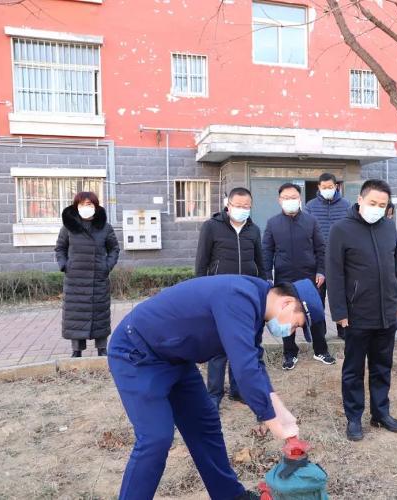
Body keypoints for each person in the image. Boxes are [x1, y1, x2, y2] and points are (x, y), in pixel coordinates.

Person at [108, 276, 324, 500]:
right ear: (287, 303)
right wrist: (272, 421)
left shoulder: (258, 303)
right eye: (297, 324)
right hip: (138, 353)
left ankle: (230, 496)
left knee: (205, 424)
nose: (291, 331)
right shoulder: (239, 297)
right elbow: (245, 369)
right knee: (156, 438)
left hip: (176, 358)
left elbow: (254, 361)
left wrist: (280, 409)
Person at [327, 179, 397, 441]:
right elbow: (335, 274)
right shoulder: (341, 230)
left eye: (382, 205)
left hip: (386, 312)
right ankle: (353, 418)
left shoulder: (388, 228)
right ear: (360, 200)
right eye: (373, 203)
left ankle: (380, 413)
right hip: (356, 315)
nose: (377, 208)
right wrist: (339, 312)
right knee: (353, 369)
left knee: (382, 366)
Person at [195, 187, 267, 407]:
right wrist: (201, 293)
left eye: (247, 206)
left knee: (242, 346)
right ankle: (214, 395)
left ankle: (238, 390)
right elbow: (201, 263)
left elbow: (260, 263)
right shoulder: (211, 227)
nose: (242, 210)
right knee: (219, 349)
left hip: (246, 297)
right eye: (238, 205)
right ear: (228, 205)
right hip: (219, 298)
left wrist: (263, 289)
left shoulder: (253, 230)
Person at [262, 182, 335, 369]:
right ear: (279, 201)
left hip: (310, 277)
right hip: (284, 278)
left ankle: (321, 350)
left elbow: (321, 249)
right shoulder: (272, 223)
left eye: (293, 197)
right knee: (286, 316)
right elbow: (267, 252)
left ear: (299, 199)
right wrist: (267, 276)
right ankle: (290, 353)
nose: (290, 201)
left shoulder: (311, 221)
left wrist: (321, 271)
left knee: (316, 314)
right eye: (286, 198)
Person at [55, 191, 119, 358]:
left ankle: (102, 348)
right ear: (76, 207)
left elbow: (114, 249)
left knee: (100, 313)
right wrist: (65, 265)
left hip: (98, 278)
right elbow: (60, 248)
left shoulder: (105, 227)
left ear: (96, 206)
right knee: (76, 314)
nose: (86, 208)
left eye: (89, 204)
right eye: (82, 204)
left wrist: (107, 266)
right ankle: (77, 350)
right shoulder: (68, 227)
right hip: (75, 279)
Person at [305, 172, 351, 340]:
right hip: (319, 260)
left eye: (330, 187)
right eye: (324, 187)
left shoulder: (347, 205)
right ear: (319, 187)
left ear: (336, 186)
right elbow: (306, 232)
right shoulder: (310, 206)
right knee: (318, 298)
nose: (327, 190)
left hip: (341, 259)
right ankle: (320, 333)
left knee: (341, 296)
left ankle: (343, 330)